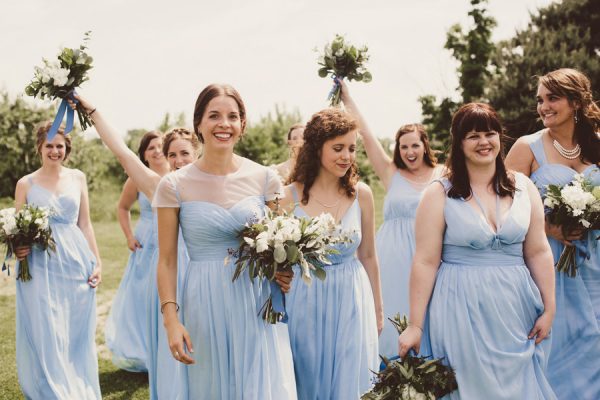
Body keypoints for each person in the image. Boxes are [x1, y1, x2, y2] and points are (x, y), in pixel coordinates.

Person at [398, 103, 557, 399]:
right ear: (459, 143)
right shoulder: (438, 193)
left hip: (517, 309)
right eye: (473, 136)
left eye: (490, 133)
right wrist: (415, 325)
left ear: (500, 137)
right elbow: (425, 261)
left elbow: (538, 251)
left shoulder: (523, 187)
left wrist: (549, 308)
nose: (484, 142)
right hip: (461, 307)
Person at [153, 83, 297, 399]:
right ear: (199, 124)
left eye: (233, 116)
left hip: (255, 298)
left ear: (242, 125)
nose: (224, 124)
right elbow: (166, 260)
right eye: (214, 115)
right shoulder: (173, 185)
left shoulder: (266, 179)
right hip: (202, 299)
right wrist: (171, 321)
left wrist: (284, 270)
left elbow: (281, 244)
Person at [67, 95, 197, 399]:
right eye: (172, 155)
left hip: (202, 278)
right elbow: (122, 152)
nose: (178, 160)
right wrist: (94, 113)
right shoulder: (161, 186)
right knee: (170, 358)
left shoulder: (212, 185)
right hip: (169, 276)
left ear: (197, 152)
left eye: (184, 154)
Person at [505, 67, 600, 399]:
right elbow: (502, 207)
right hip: (550, 263)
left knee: (596, 343)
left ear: (575, 102)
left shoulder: (596, 146)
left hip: (595, 263)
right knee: (556, 343)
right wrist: (547, 225)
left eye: (552, 98)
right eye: (539, 100)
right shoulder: (527, 148)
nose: (543, 106)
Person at [279, 107, 383, 399]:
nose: (346, 156)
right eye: (338, 148)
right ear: (316, 149)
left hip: (352, 296)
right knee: (307, 378)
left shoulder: (361, 194)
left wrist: (377, 307)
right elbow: (270, 255)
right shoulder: (289, 197)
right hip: (304, 299)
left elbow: (369, 256)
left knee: (353, 379)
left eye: (351, 148)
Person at [339, 80, 444, 356]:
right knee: (391, 315)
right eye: (404, 147)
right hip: (391, 259)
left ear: (425, 146)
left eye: (415, 146)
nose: (409, 152)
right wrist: (347, 97)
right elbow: (365, 133)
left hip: (430, 255)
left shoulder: (443, 174)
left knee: (429, 316)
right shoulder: (390, 172)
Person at [14, 122, 102, 399]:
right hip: (39, 263)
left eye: (59, 146)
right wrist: (18, 248)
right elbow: (17, 228)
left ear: (67, 149)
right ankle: (52, 390)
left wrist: (96, 262)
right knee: (45, 327)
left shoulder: (77, 178)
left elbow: (85, 224)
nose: (54, 151)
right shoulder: (25, 183)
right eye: (49, 145)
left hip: (76, 261)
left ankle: (74, 384)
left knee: (74, 329)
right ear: (39, 147)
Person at [105, 130, 169, 372]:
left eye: (161, 145)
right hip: (145, 243)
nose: (157, 150)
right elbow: (122, 208)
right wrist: (129, 236)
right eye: (151, 147)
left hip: (171, 240)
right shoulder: (136, 179)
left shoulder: (178, 175)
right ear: (143, 154)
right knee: (143, 297)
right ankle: (142, 351)